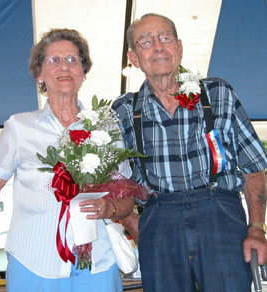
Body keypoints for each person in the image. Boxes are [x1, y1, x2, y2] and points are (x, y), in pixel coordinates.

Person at [0, 28, 134, 292]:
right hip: (32, 266)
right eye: (54, 60)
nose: (64, 67)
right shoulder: (19, 128)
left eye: (72, 59)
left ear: (83, 71)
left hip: (97, 265)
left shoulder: (106, 128)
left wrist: (109, 208)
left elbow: (126, 196)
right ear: (39, 73)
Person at [112, 13, 267, 292]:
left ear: (179, 48)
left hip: (220, 214)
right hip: (158, 220)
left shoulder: (218, 92)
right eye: (146, 42)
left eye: (165, 38)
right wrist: (136, 224)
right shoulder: (123, 110)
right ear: (134, 58)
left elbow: (253, 167)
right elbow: (113, 181)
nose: (158, 47)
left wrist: (256, 228)